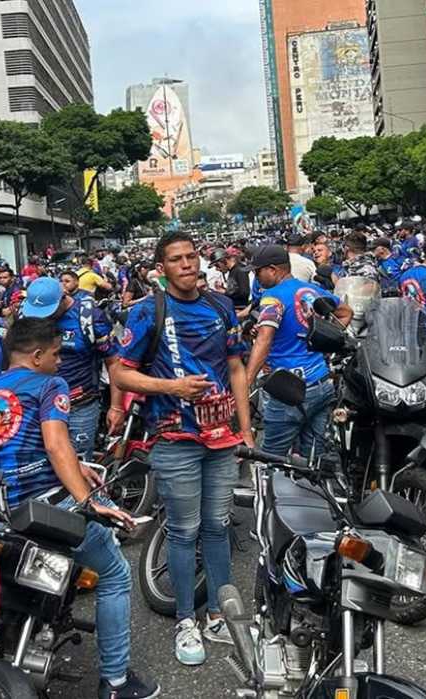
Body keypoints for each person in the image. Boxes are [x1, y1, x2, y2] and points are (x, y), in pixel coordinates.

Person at [0, 317, 160, 699]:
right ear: (37, 356)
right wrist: (90, 501)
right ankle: (116, 681)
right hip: (43, 509)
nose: (60, 362)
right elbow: (56, 445)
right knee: (115, 572)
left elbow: (8, 450)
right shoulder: (50, 384)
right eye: (56, 355)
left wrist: (78, 466)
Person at [111, 232, 253, 666]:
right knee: (183, 530)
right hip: (175, 440)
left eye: (192, 256)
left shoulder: (221, 306)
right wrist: (172, 387)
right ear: (162, 268)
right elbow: (121, 373)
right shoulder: (147, 312)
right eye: (176, 259)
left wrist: (246, 431)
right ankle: (186, 619)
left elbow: (236, 368)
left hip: (221, 439)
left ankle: (219, 614)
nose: (187, 264)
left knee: (218, 526)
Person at [246, 245, 353, 456]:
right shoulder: (311, 290)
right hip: (321, 383)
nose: (256, 278)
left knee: (271, 459)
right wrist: (325, 341)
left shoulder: (272, 297)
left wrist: (246, 381)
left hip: (289, 391)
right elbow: (345, 312)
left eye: (258, 272)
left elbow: (264, 338)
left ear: (273, 270)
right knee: (314, 459)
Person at [20, 277, 121, 456]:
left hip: (80, 405)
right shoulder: (29, 316)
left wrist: (116, 407)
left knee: (78, 462)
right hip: (39, 404)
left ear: (63, 297)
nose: (44, 317)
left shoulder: (90, 317)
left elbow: (113, 363)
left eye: (48, 311)